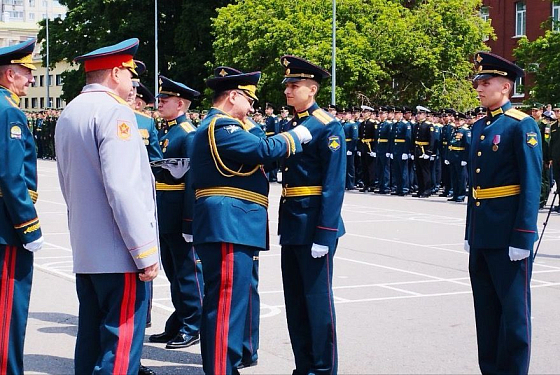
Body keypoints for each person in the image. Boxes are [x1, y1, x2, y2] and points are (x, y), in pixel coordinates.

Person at [191, 66, 311, 374]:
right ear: (232, 96)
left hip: (236, 222)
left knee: (233, 302)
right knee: (226, 304)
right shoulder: (220, 127)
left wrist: (250, 122)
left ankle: (227, 362)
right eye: (248, 100)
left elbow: (257, 138)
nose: (253, 108)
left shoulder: (231, 125)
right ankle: (220, 369)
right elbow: (263, 149)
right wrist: (295, 135)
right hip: (228, 222)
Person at [55, 38, 160, 375]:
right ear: (116, 72)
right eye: (130, 73)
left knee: (90, 342)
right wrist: (144, 253)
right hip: (120, 254)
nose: (132, 83)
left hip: (87, 251)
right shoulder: (116, 112)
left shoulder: (71, 111)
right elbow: (124, 188)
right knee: (120, 347)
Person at [465, 51, 542, 375]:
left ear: (506, 87)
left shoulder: (521, 125)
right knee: (486, 313)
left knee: (513, 316)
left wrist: (523, 235)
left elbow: (531, 183)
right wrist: (470, 233)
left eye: (486, 82)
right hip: (483, 233)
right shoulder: (480, 125)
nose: (479, 88)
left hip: (508, 233)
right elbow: (476, 186)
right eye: (478, 82)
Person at [278, 55, 346, 375]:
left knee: (317, 304)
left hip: (314, 225)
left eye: (294, 85)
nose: (288, 91)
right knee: (295, 303)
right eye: (287, 85)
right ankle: (303, 366)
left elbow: (333, 185)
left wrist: (324, 232)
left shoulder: (327, 125)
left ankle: (322, 369)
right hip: (292, 221)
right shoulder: (293, 124)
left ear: (313, 89)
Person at [147, 75, 204, 350]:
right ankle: (179, 321)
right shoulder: (169, 132)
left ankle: (193, 325)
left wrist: (189, 221)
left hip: (179, 213)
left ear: (180, 104)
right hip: (165, 213)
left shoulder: (188, 134)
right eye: (159, 99)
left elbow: (192, 181)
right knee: (173, 273)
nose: (159, 103)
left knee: (187, 273)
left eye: (164, 100)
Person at [0, 38, 43, 375]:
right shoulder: (9, 112)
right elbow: (12, 176)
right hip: (7, 227)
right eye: (26, 73)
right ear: (9, 74)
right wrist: (29, 225)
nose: (31, 79)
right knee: (7, 310)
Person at [446, 112, 470, 202]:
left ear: (463, 121)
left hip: (460, 157)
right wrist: (447, 157)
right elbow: (450, 144)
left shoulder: (465, 131)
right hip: (453, 156)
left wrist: (465, 159)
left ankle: (461, 195)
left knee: (461, 177)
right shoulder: (454, 130)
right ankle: (455, 194)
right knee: (454, 177)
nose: (457, 122)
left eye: (459, 120)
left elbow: (468, 145)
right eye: (456, 120)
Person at [413, 106, 434, 198]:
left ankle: (427, 190)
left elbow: (432, 140)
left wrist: (428, 152)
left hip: (424, 150)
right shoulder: (416, 125)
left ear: (425, 115)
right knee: (418, 171)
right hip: (417, 150)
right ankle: (420, 189)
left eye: (420, 113)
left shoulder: (429, 125)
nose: (418, 115)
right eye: (417, 113)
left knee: (425, 172)